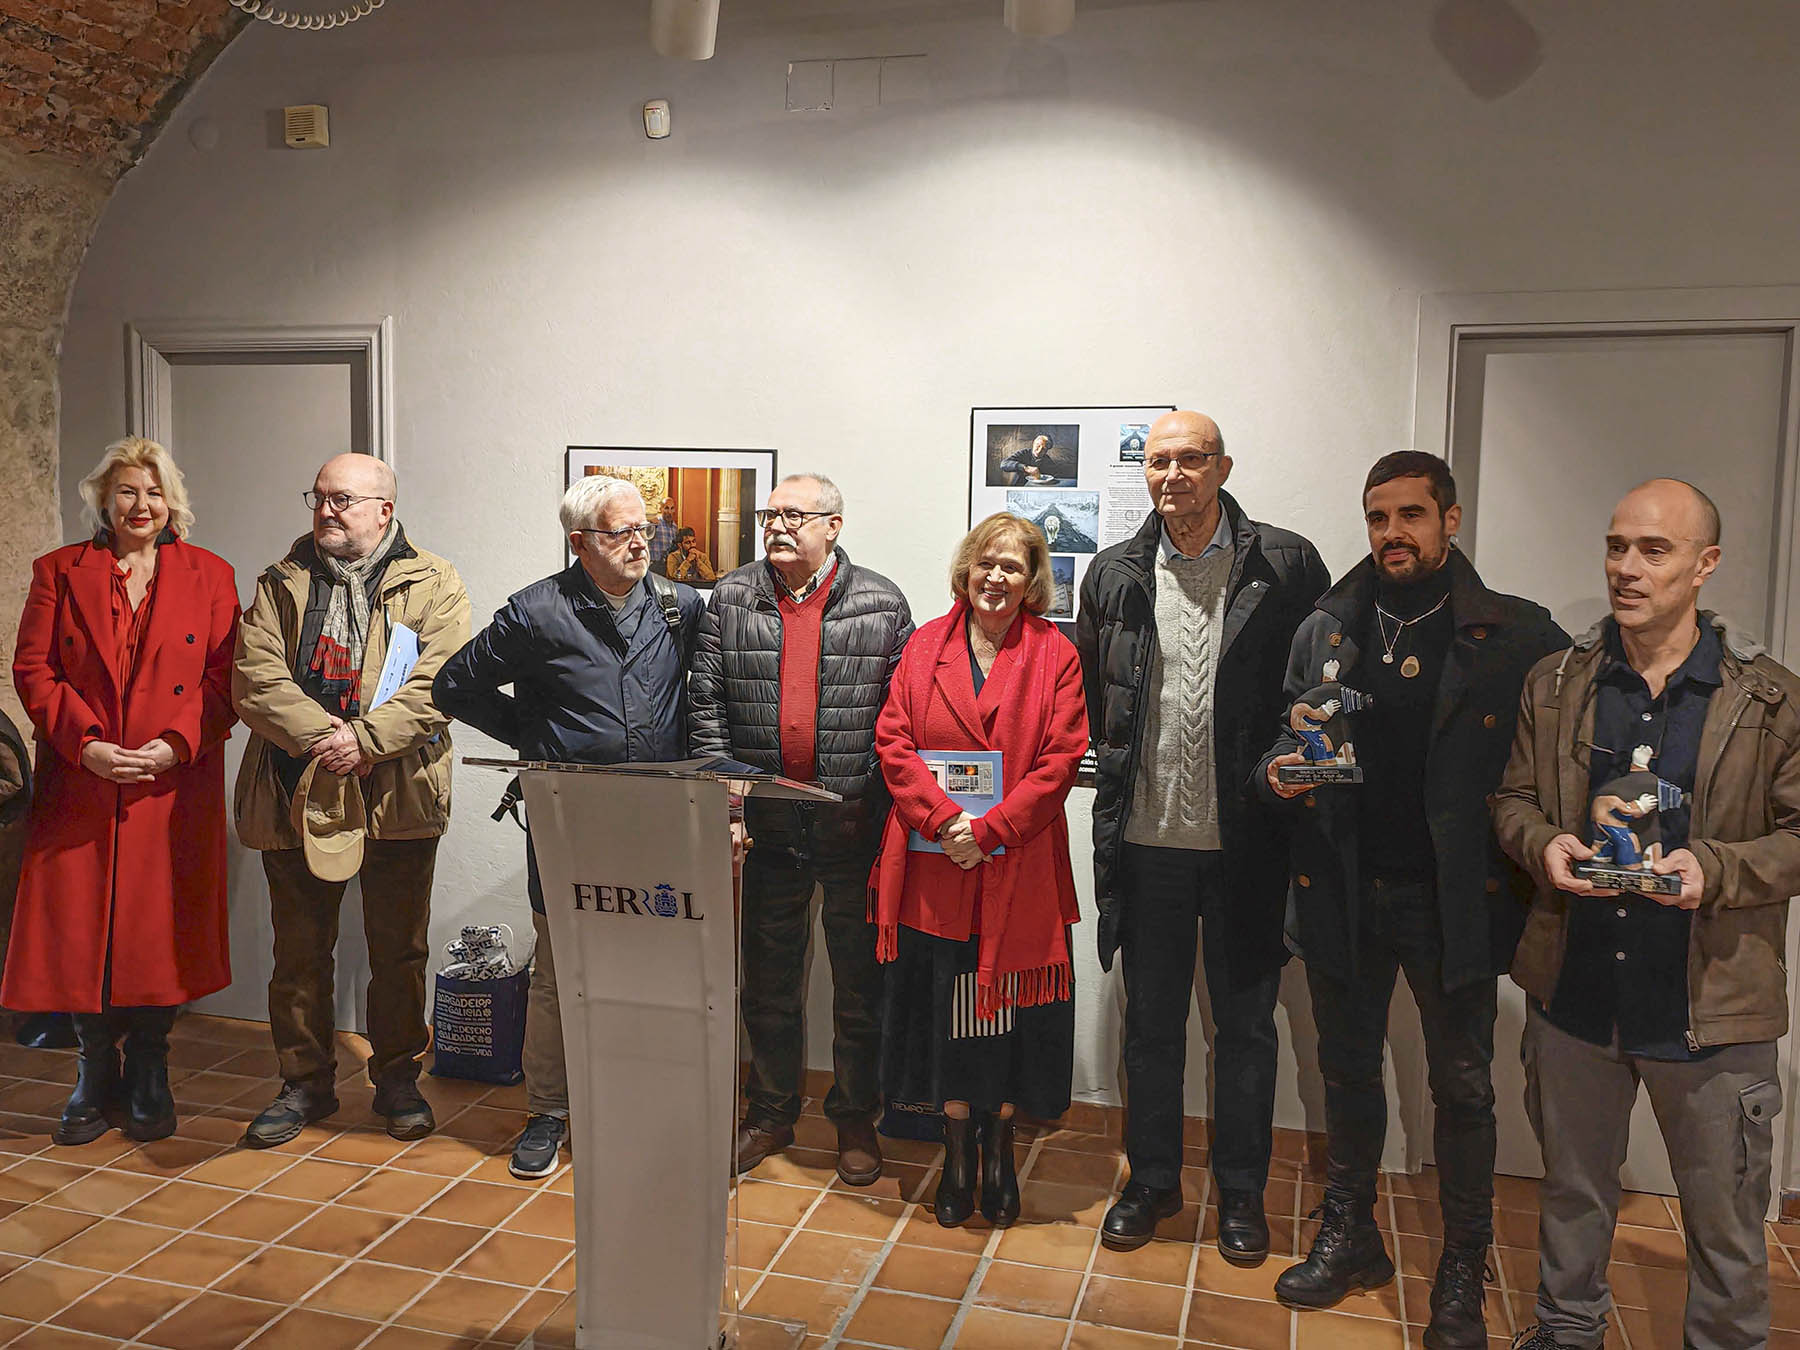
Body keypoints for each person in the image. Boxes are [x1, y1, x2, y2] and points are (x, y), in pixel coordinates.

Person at [1257, 453, 1566, 1345]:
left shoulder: (1514, 635)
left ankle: (1462, 1270)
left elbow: (1558, 762)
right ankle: (1352, 1233)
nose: (1393, 533)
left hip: (1454, 899)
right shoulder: (1326, 625)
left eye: (1411, 516)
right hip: (1345, 890)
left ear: (1451, 521)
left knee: (1463, 1089)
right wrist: (1276, 770)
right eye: (1378, 517)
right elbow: (1287, 732)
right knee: (1346, 1072)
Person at [1494, 479, 1800, 1350]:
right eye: (1617, 546)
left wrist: (1716, 869)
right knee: (1572, 1197)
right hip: (1576, 992)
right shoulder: (1555, 683)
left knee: (1727, 1231)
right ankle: (1566, 1333)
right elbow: (1511, 798)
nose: (1627, 568)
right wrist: (1545, 844)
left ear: (1705, 566)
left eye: (1654, 551)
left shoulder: (1770, 700)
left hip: (1710, 1009)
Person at [1075, 410, 1328, 1258]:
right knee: (1150, 1030)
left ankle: (1244, 1196)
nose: (1172, 475)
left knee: (1246, 1032)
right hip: (1147, 847)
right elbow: (1092, 697)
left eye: (1189, 459)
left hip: (1246, 848)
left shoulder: (1284, 563)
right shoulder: (1114, 572)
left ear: (1222, 467)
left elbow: (1320, 688)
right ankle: (1151, 1184)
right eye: (1157, 462)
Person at [434, 476, 703, 1178]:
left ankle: (638, 1102)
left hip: (657, 820)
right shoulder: (535, 612)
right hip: (568, 818)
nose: (641, 542)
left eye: (646, 528)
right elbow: (453, 686)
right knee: (560, 972)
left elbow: (706, 703)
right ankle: (549, 1110)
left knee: (652, 965)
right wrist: (535, 744)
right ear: (580, 542)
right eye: (620, 533)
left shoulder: (679, 607)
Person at [4, 436, 240, 1144]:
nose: (142, 505)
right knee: (82, 932)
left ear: (173, 502)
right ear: (104, 501)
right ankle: (92, 1073)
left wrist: (173, 745)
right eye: (129, 491)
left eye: (155, 491)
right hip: (82, 780)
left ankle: (150, 1070)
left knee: (156, 931)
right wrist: (87, 746)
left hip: (172, 782)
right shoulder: (59, 571)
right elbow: (33, 672)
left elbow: (227, 679)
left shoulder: (213, 575)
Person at [233, 452, 470, 1147]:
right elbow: (254, 676)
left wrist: (366, 741)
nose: (326, 510)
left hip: (399, 792)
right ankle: (304, 1084)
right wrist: (322, 739)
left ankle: (397, 1080)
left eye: (343, 499)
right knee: (300, 951)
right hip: (294, 787)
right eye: (320, 497)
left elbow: (442, 680)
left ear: (384, 511)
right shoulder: (280, 582)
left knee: (399, 950)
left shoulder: (434, 581)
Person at [690, 473, 913, 1186]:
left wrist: (889, 815)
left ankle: (855, 1118)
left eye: (794, 514)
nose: (777, 525)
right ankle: (772, 1112)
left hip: (856, 831)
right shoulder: (729, 598)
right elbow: (705, 709)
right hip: (767, 833)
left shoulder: (881, 603)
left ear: (833, 526)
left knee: (860, 986)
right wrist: (728, 807)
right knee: (770, 984)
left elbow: (904, 719)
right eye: (771, 513)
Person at [872, 513, 1087, 1228]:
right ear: (966, 569)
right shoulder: (923, 644)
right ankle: (956, 1151)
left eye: (1014, 567)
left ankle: (997, 1152)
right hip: (936, 868)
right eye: (986, 563)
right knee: (950, 1008)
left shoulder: (1055, 652)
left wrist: (989, 830)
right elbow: (893, 739)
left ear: (1033, 582)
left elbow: (1061, 759)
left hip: (1015, 865)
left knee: (999, 1015)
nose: (997, 578)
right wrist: (942, 822)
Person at [998, 433, 1067, 485]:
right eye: (1038, 445)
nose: (1039, 450)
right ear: (1033, 443)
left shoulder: (1047, 460)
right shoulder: (1024, 453)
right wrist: (1025, 468)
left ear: (1047, 451)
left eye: (1043, 449)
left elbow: (1055, 475)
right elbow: (1003, 464)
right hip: (1019, 486)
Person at [648, 494, 681, 570]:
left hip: (668, 567)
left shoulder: (675, 528)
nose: (669, 512)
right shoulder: (655, 524)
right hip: (654, 566)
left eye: (672, 508)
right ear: (661, 509)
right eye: (666, 508)